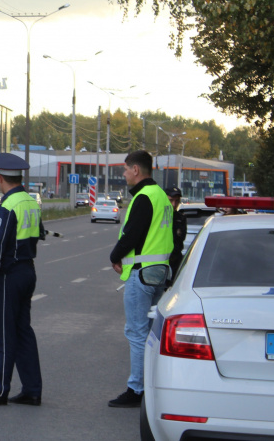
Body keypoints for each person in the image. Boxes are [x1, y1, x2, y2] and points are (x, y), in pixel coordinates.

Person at [0, 153, 44, 407]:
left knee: (2, 335)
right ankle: (32, 389)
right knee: (24, 331)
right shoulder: (31, 202)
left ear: (0, 178)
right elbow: (39, 234)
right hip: (28, 271)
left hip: (10, 275)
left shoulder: (7, 207)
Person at [108, 150, 173, 408]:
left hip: (143, 273)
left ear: (136, 170)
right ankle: (152, 385)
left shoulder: (144, 197)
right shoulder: (162, 197)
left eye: (125, 169)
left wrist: (115, 255)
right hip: (160, 273)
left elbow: (132, 234)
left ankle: (136, 390)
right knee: (150, 335)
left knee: (136, 332)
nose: (124, 173)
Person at [165, 186, 187, 277]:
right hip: (160, 262)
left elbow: (180, 239)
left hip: (175, 262)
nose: (174, 204)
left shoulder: (180, 218)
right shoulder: (158, 217)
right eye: (171, 200)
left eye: (177, 201)